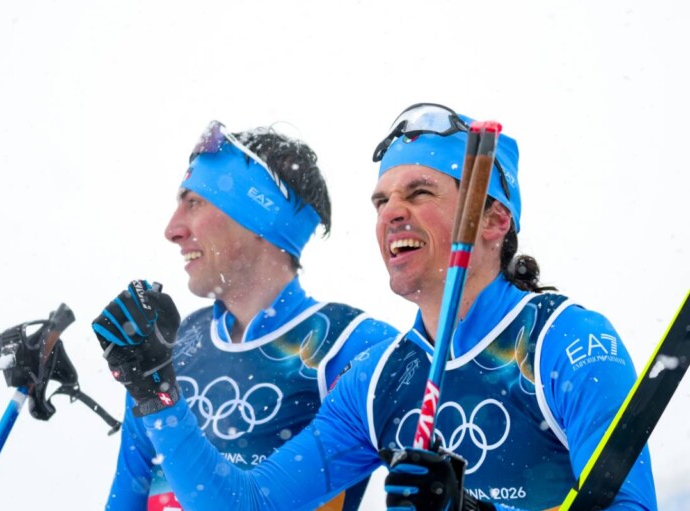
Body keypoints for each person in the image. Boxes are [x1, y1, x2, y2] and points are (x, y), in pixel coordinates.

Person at [93, 105, 657, 511]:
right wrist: (155, 393)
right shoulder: (380, 378)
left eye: (420, 193)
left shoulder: (565, 341)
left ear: (493, 220)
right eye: (382, 201)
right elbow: (248, 502)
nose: (391, 214)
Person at [92, 120, 399, 511]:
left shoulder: (349, 344)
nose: (173, 229)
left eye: (195, 202)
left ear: (262, 220)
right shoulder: (173, 345)